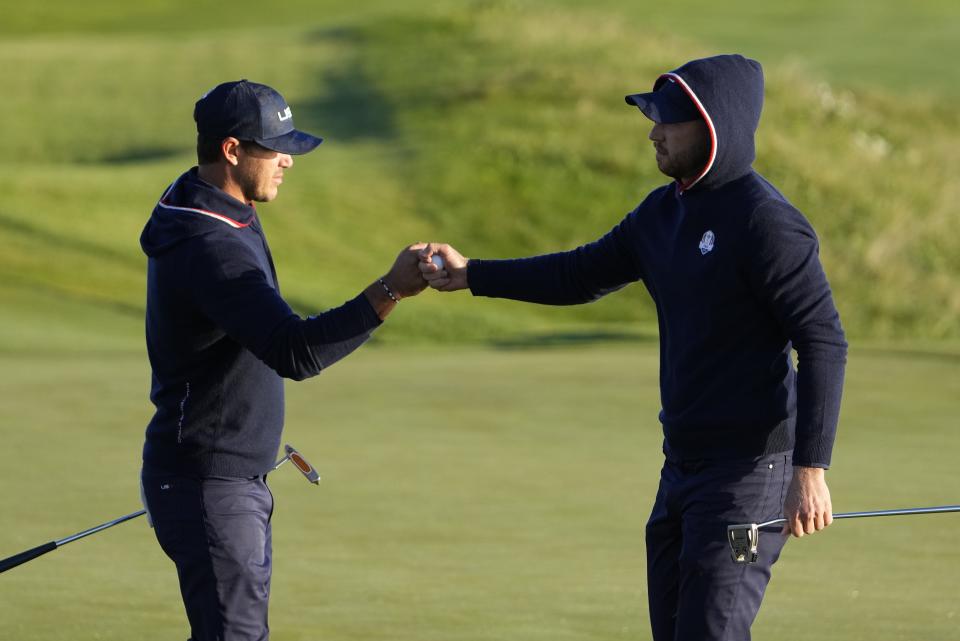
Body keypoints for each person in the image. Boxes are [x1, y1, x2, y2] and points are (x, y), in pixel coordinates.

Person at [419, 54, 847, 640]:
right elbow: (576, 276)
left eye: (668, 120)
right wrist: (474, 274)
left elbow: (822, 341)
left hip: (749, 472)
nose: (654, 132)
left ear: (713, 125)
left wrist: (811, 469)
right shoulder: (661, 214)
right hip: (682, 466)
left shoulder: (766, 223)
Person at [138, 79, 427, 641]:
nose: (288, 160)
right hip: (211, 484)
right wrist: (390, 289)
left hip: (218, 478)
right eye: (274, 147)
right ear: (231, 151)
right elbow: (295, 351)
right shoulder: (211, 245)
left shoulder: (211, 200)